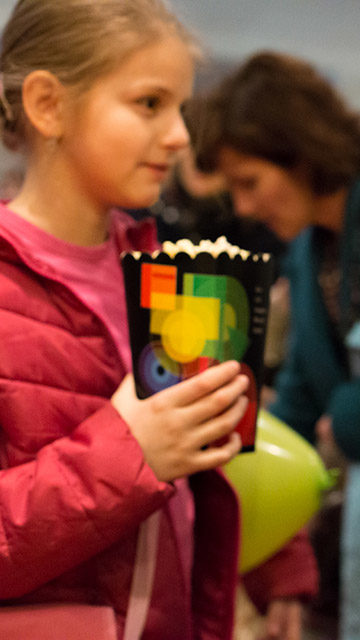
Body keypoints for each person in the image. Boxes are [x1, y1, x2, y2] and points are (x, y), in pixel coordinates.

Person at [0, 1, 316, 639]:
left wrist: (278, 558)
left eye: (179, 108)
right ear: (47, 105)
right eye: (149, 104)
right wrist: (129, 454)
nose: (179, 136)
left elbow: (208, 431)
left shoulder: (164, 272)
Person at [188, 51, 360, 640]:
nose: (242, 207)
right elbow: (298, 401)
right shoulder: (312, 248)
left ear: (301, 152)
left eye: (250, 182)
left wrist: (357, 419)